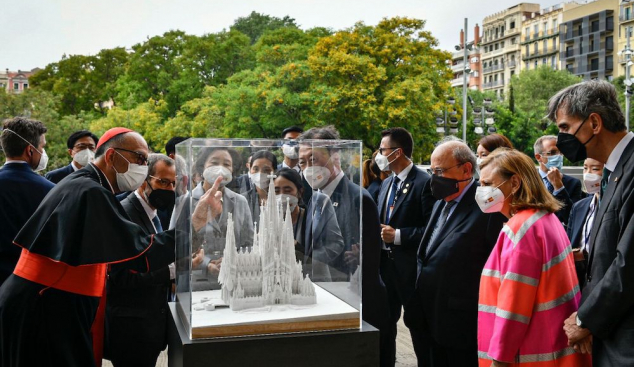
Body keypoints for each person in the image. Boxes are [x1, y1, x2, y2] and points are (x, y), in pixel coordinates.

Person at [0, 127, 178, 367]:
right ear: (112, 156)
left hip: (52, 302)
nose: (143, 166)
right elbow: (138, 253)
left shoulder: (88, 184)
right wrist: (189, 229)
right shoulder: (90, 190)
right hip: (44, 306)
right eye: (140, 158)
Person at [546, 80, 634, 365]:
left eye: (565, 127)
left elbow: (628, 263)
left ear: (594, 123)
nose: (561, 138)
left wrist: (585, 319)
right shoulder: (615, 171)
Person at [477, 148, 590, 367]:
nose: (482, 191)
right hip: (552, 348)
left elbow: (514, 304)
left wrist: (499, 358)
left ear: (515, 183)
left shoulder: (520, 229)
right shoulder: (545, 219)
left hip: (529, 353)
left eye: (488, 184)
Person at [403, 138, 505, 367]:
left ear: (466, 169)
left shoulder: (487, 205)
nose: (434, 177)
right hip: (426, 317)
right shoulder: (442, 200)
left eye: (440, 170)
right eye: (432, 170)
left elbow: (494, 266)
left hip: (459, 325)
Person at [104, 154, 176, 367]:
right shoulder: (125, 213)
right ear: (144, 180)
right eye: (162, 182)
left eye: (173, 183)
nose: (169, 189)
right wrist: (172, 271)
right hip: (130, 329)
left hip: (148, 325)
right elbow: (121, 276)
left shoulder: (154, 213)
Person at [374, 127, 435, 366]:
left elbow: (432, 230)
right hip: (385, 269)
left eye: (382, 149)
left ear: (397, 152)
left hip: (411, 271)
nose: (379, 154)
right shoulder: (387, 183)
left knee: (418, 330)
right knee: (385, 327)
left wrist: (398, 235)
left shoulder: (424, 183)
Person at [298, 126, 361, 279]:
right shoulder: (315, 198)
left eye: (313, 159)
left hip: (346, 286)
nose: (308, 168)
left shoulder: (356, 197)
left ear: (335, 156)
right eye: (302, 163)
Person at [189, 146, 254, 290]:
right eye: (214, 163)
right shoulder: (185, 201)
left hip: (235, 282)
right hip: (198, 282)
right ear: (202, 166)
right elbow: (178, 245)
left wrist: (233, 259)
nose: (220, 168)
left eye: (226, 164)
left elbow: (249, 243)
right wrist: (208, 263)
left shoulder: (240, 201)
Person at [0, 118, 54, 285]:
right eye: (42, 147)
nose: (43, 153)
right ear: (30, 150)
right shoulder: (51, 191)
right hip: (30, 283)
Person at [273, 168, 344, 281]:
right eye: (276, 191)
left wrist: (305, 255)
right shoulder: (270, 223)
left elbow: (336, 245)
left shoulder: (314, 218)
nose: (282, 196)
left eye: (288, 190)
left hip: (314, 279)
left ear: (300, 192)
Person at [566, 158, 604, 288]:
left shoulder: (613, 208)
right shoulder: (579, 206)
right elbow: (569, 240)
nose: (588, 174)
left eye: (595, 169)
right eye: (585, 168)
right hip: (578, 276)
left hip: (600, 278)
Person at [533, 135, 583, 226]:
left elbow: (573, 218)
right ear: (538, 157)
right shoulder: (529, 181)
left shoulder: (573, 183)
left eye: (561, 152)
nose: (558, 156)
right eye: (552, 152)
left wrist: (559, 188)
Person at [242, 150, 278, 223]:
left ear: (275, 171)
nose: (260, 174)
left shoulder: (281, 197)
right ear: (250, 169)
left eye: (266, 170)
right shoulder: (243, 199)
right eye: (256, 169)